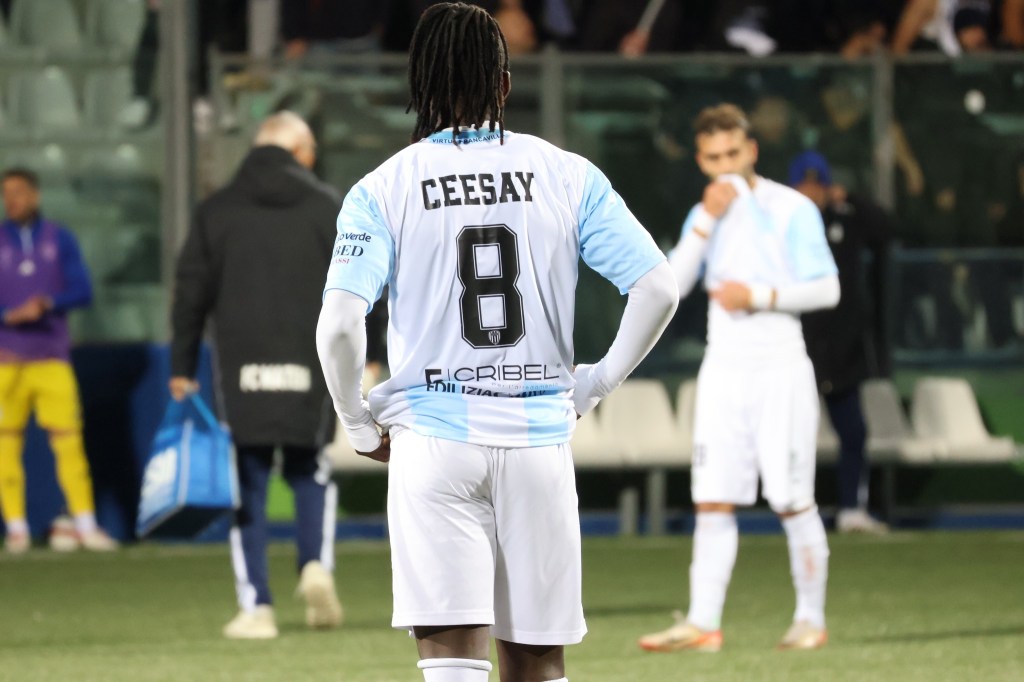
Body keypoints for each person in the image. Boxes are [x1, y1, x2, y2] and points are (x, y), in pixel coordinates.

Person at [316, 4, 678, 680]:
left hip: (433, 436)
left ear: (418, 85)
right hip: (538, 437)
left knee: (451, 659)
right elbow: (658, 289)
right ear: (505, 85)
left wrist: (358, 424)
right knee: (537, 662)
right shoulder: (567, 174)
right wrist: (595, 384)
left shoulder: (382, 188)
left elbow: (338, 324)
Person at [639, 104, 839, 654]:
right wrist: (705, 220)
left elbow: (827, 288)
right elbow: (673, 284)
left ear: (751, 150)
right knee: (712, 497)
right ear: (701, 160)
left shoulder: (791, 207)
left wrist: (760, 296)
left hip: (779, 364)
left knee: (791, 497)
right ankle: (703, 623)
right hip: (723, 368)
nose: (725, 165)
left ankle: (810, 619)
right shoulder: (704, 213)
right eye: (713, 157)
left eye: (733, 153)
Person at [170, 111, 343, 640]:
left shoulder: (216, 210)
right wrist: (374, 352)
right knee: (309, 468)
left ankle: (258, 608)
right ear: (301, 151)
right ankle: (314, 565)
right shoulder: (326, 206)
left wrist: (181, 366)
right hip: (310, 361)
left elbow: (190, 292)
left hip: (240, 366)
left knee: (246, 481)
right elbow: (360, 282)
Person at [0, 168, 119, 554]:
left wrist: (48, 303)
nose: (12, 200)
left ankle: (85, 524)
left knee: (68, 443)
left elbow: (82, 289)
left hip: (51, 358)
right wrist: (7, 315)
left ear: (35, 194)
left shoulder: (59, 238)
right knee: (5, 446)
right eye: (6, 194)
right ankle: (16, 529)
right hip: (6, 361)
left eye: (19, 192)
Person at [790, 151, 891, 534]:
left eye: (818, 184)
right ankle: (794, 509)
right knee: (792, 434)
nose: (812, 192)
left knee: (854, 432)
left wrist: (852, 199)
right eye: (805, 184)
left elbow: (886, 230)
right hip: (797, 345)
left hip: (842, 348)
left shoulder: (847, 218)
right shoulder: (783, 223)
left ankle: (851, 509)